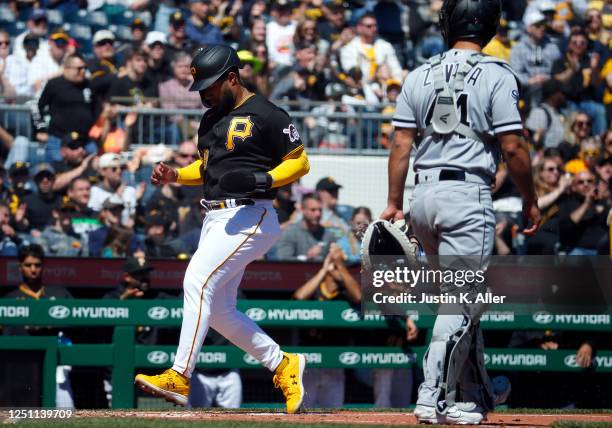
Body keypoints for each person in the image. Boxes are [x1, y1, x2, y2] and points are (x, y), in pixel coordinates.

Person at [382, 0, 539, 424]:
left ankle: (475, 394)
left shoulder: (419, 73)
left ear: (447, 23)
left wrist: (395, 202)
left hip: (423, 196)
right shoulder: (496, 73)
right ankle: (432, 395)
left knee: (456, 307)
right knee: (460, 306)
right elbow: (513, 147)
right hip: (467, 195)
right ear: (491, 26)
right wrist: (531, 198)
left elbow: (400, 145)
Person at [134, 45, 310, 413]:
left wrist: (264, 179)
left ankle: (179, 374)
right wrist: (175, 175)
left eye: (211, 85)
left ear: (232, 77)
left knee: (197, 280)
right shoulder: (210, 118)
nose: (205, 92)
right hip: (215, 218)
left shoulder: (267, 113)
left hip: (252, 213)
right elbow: (207, 169)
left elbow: (300, 162)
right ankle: (282, 363)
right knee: (218, 312)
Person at [2, 244, 74, 408]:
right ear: (20, 267)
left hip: (56, 363)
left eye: (37, 265)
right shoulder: (10, 299)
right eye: (28, 265)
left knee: (66, 412)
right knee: (20, 415)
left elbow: (78, 326)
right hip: (19, 365)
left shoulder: (59, 294)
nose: (33, 269)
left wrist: (49, 325)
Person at [292, 242, 361, 408]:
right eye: (339, 266)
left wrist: (339, 265)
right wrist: (324, 270)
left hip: (335, 364)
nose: (344, 270)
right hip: (309, 363)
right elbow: (299, 297)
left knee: (333, 414)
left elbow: (359, 297)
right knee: (302, 412)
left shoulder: (345, 294)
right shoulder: (315, 289)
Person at [32, 53, 98, 163]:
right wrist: (41, 129)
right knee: (58, 171)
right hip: (58, 139)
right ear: (67, 69)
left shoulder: (89, 85)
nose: (83, 71)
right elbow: (37, 107)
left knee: (94, 168)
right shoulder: (54, 84)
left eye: (85, 68)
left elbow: (96, 108)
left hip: (84, 140)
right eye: (79, 68)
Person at [340, 13, 403, 84]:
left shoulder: (385, 45)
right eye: (369, 26)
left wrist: (396, 84)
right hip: (361, 87)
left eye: (375, 25)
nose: (374, 29)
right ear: (359, 27)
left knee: (402, 73)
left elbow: (396, 69)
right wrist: (375, 75)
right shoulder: (349, 48)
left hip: (385, 86)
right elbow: (351, 72)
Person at [275, 193, 337, 261]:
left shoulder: (328, 235)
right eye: (313, 210)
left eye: (320, 210)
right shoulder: (290, 232)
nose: (318, 214)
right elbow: (283, 260)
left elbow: (335, 261)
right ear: (302, 209)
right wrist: (307, 258)